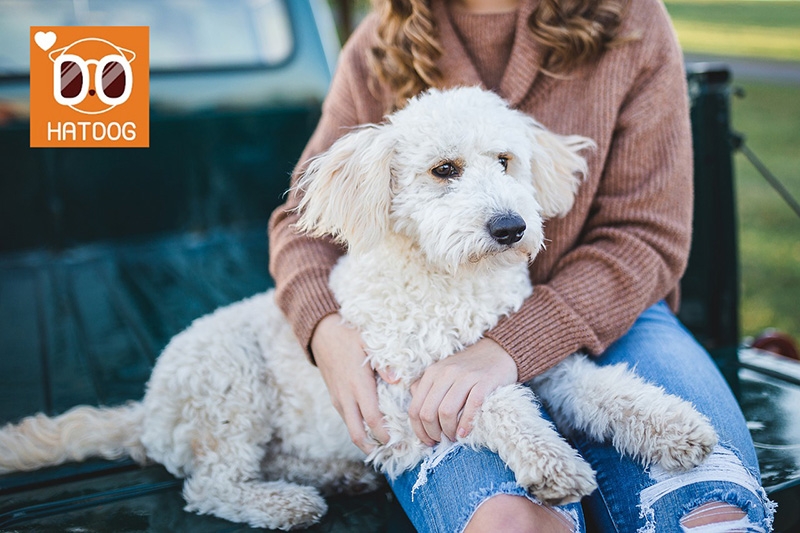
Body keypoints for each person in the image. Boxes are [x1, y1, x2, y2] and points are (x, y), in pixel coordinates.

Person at [268, 0, 776, 531]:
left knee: (712, 511)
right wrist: (325, 330)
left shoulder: (633, 19)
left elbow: (647, 235)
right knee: (515, 522)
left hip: (614, 312)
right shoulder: (383, 37)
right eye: (445, 169)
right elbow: (301, 222)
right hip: (427, 333)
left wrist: (509, 347)